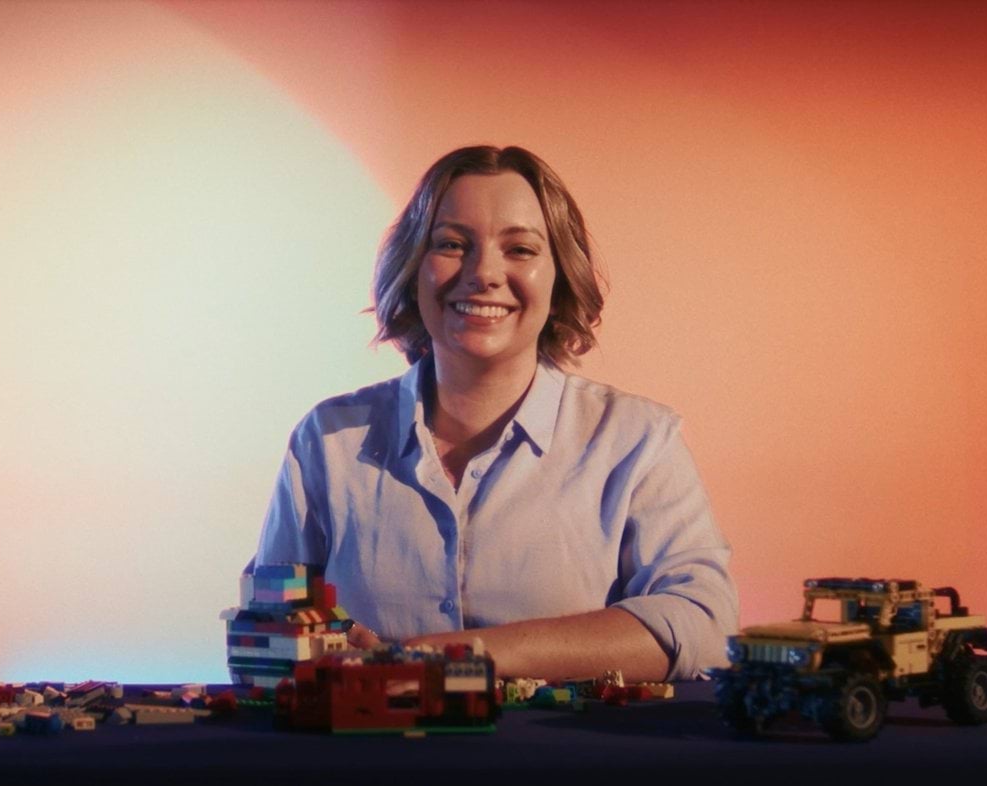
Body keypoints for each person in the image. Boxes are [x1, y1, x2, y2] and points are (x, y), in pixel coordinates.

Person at [252, 145, 737, 683]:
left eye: (520, 249)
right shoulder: (327, 442)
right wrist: (311, 647)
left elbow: (702, 624)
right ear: (413, 269)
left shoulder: (638, 441)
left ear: (560, 277)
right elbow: (269, 630)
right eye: (452, 244)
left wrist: (447, 655)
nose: (484, 273)